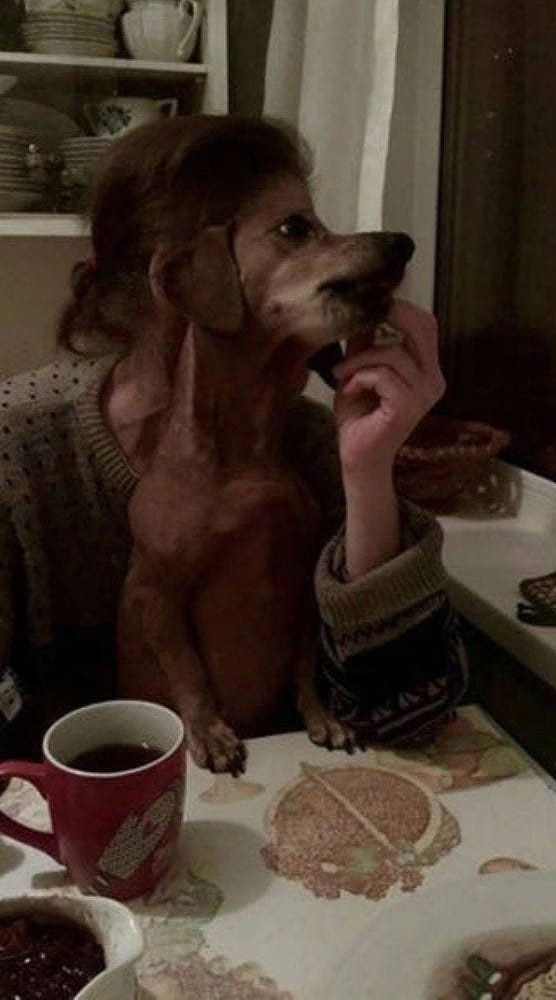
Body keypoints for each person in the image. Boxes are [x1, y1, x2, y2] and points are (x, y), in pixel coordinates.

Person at [0, 115, 467, 761]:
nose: (355, 247)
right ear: (185, 278)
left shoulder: (312, 444)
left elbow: (407, 717)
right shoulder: (19, 447)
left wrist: (368, 473)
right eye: (294, 231)